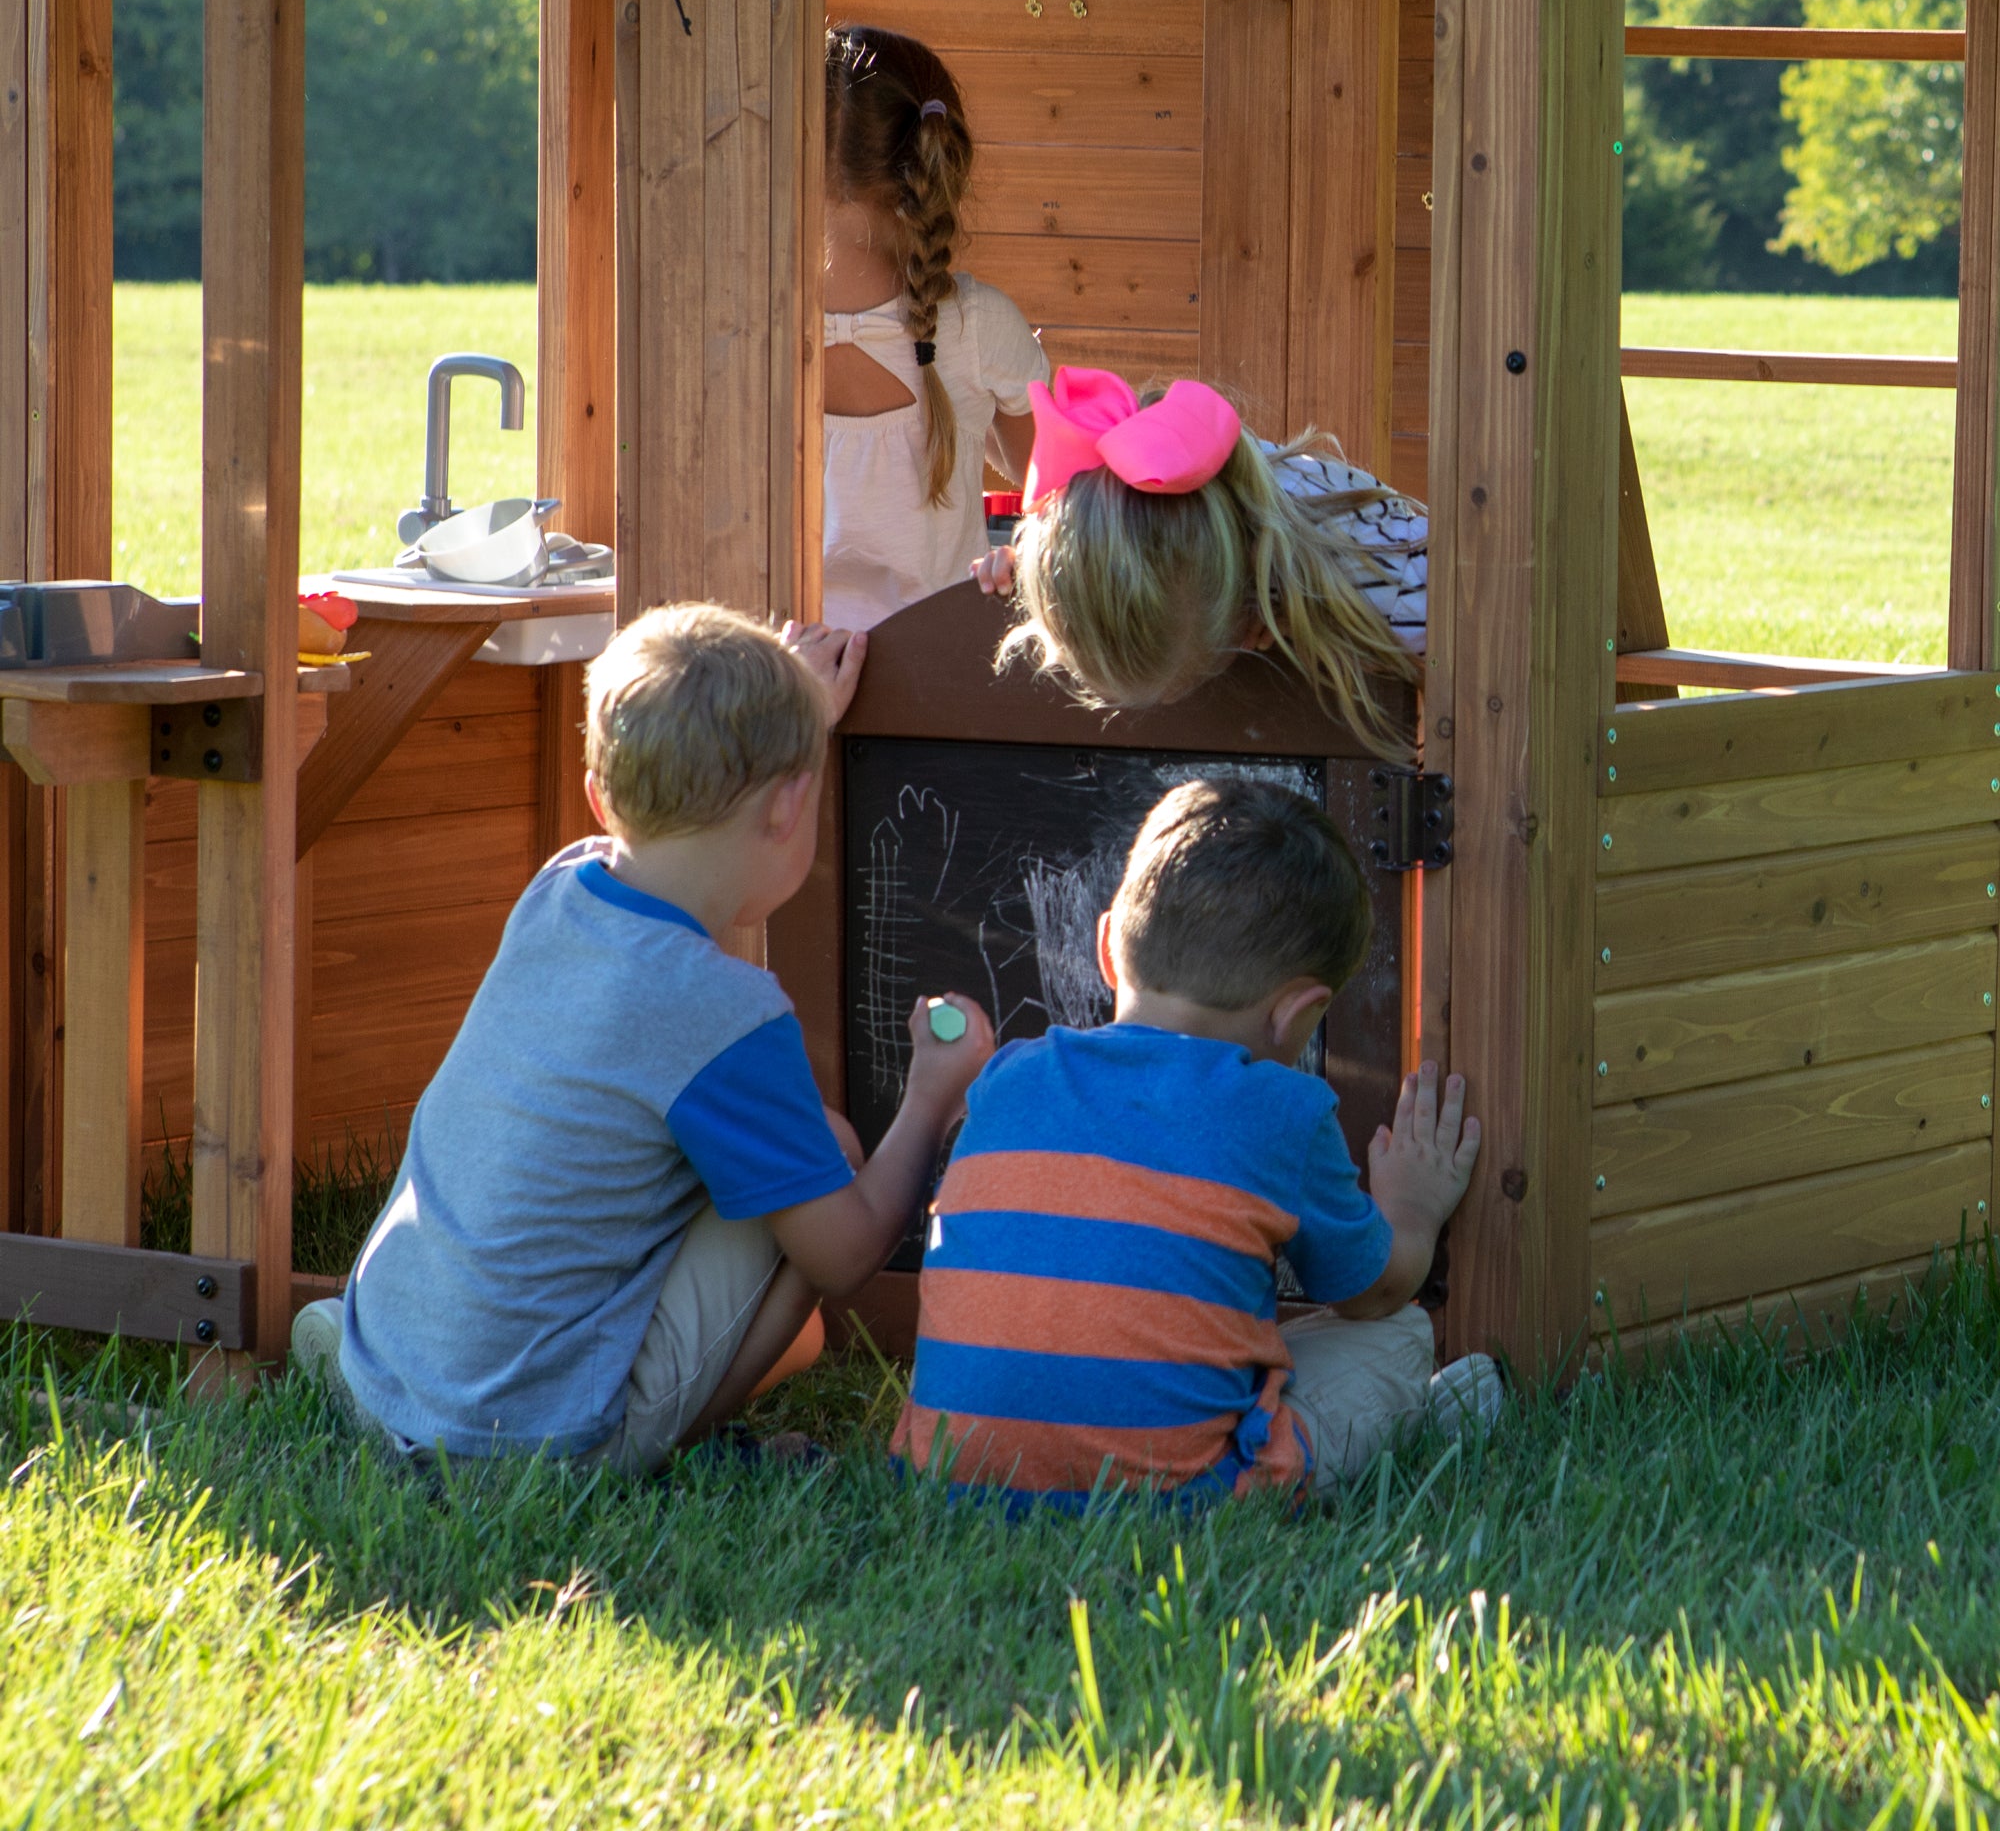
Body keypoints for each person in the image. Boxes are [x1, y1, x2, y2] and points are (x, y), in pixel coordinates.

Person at [293, 603, 995, 1470]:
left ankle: (380, 1375)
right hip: (523, 1443)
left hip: (392, 1361)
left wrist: (791, 716)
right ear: (788, 807)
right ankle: (658, 1450)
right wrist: (931, 1095)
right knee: (836, 1157)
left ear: (599, 795)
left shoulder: (560, 889)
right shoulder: (728, 1012)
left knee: (788, 1163)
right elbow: (846, 1252)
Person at [892, 777, 1497, 1506]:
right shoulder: (1283, 1109)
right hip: (1184, 1499)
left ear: (1109, 948)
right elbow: (1376, 1294)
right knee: (1398, 1339)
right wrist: (1415, 1210)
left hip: (946, 1476)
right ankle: (1427, 1420)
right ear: (1299, 1013)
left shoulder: (1006, 1075)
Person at [972, 366, 1427, 763]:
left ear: (1250, 625)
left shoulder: (1395, 592)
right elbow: (1121, 546)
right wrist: (1038, 575)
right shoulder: (1162, 495)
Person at [823, 23, 1050, 632]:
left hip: (778, 684)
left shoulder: (748, 328)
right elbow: (1056, 501)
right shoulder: (978, 326)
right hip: (930, 695)